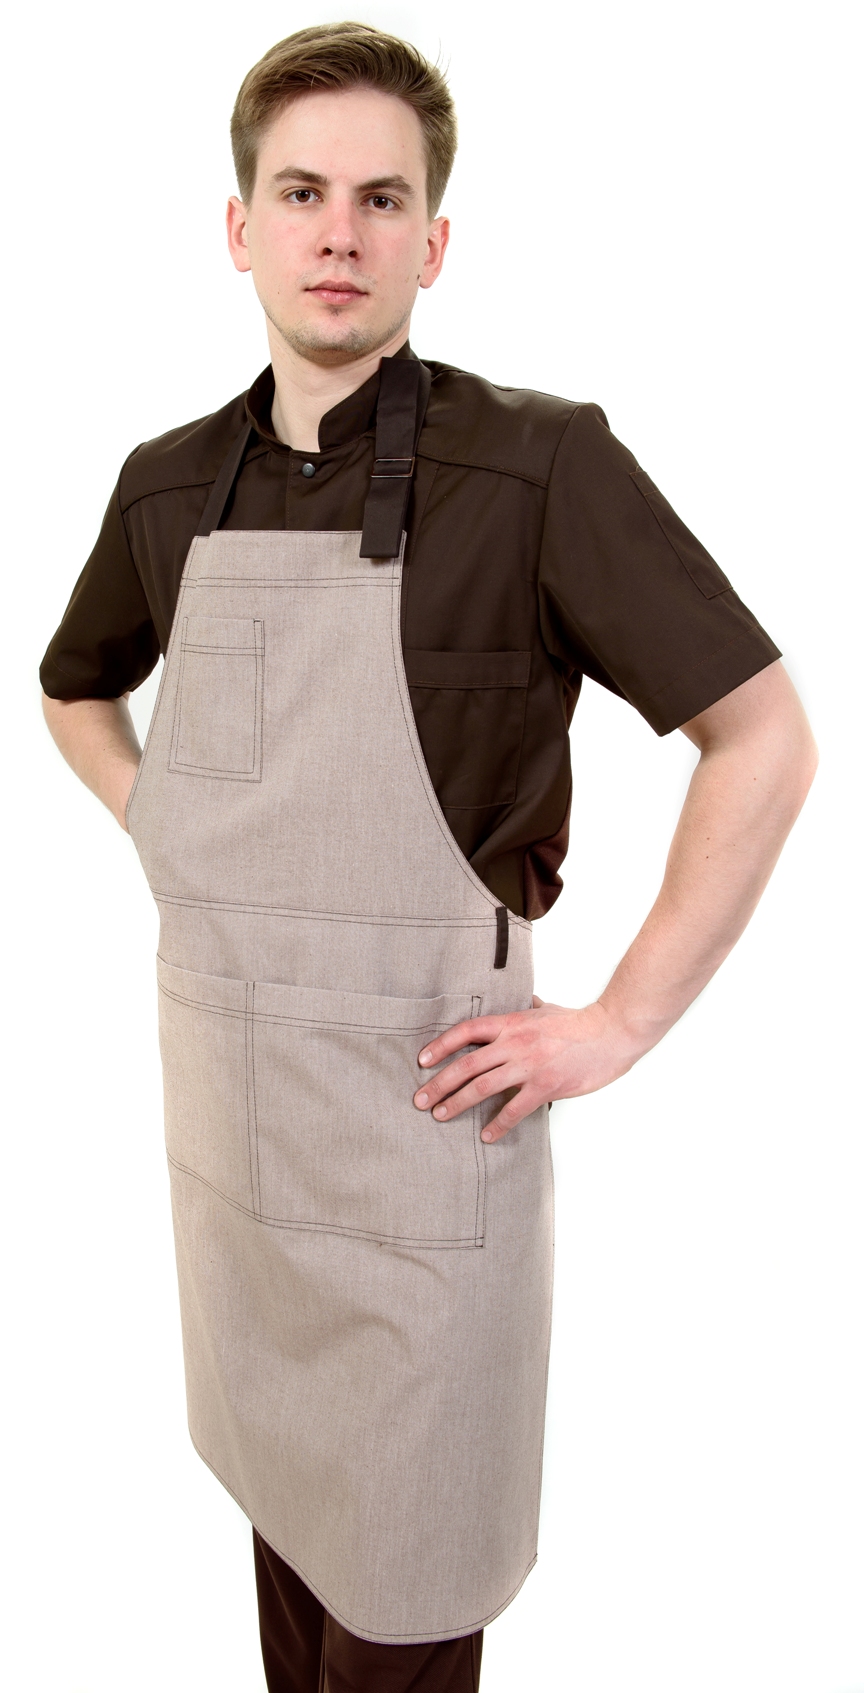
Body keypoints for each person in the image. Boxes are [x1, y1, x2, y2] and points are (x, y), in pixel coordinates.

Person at [39, 21, 817, 1693]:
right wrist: (150, 811)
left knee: (403, 1610)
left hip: (421, 1159)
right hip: (232, 1161)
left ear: (433, 242)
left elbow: (764, 735)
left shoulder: (537, 468)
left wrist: (618, 1023)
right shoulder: (167, 488)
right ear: (237, 226)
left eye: (382, 200)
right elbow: (71, 685)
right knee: (290, 1576)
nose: (340, 232)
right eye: (301, 192)